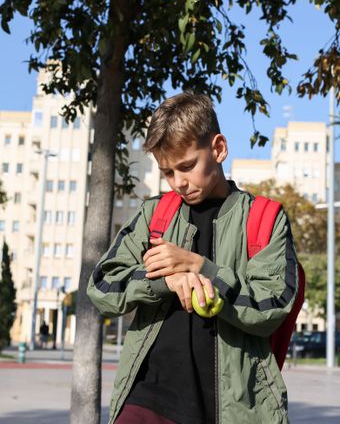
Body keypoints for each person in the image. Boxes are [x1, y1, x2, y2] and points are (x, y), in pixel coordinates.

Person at [87, 92, 299, 424]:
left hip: (239, 407)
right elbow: (101, 286)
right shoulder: (153, 214)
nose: (179, 182)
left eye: (187, 166)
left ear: (218, 149)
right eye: (168, 172)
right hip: (149, 400)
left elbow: (272, 306)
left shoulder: (264, 218)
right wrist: (162, 281)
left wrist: (201, 267)